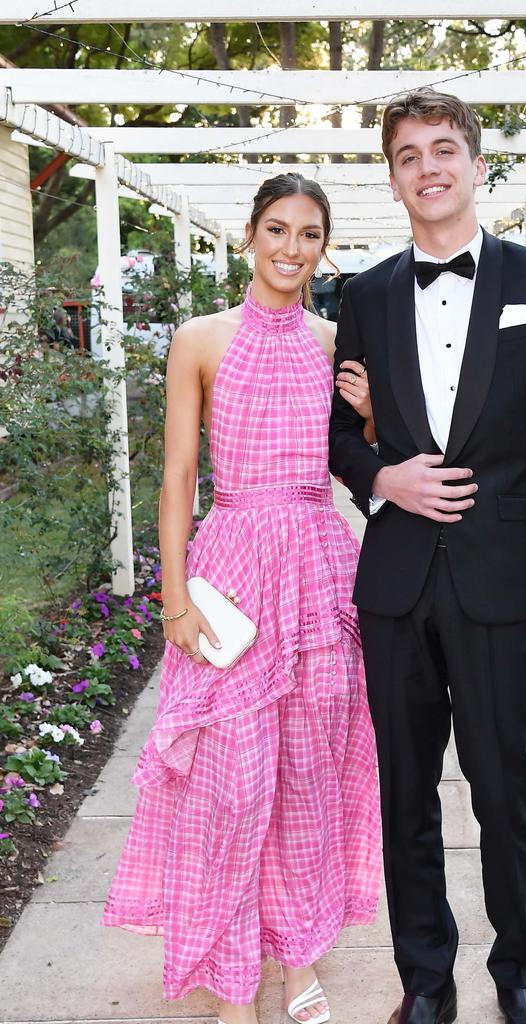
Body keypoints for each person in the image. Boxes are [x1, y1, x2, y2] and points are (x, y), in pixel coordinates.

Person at [329, 88, 526, 1024]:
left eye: (444, 149)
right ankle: (425, 979)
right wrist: (385, 480)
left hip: (504, 579)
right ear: (393, 176)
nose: (429, 168)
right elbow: (339, 436)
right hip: (398, 583)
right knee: (406, 793)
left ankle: (519, 972)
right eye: (409, 154)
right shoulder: (366, 294)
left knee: (507, 792)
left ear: (476, 164)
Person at [103, 173, 381, 1024]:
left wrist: (369, 418)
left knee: (307, 777)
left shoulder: (337, 341)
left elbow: (359, 463)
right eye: (277, 230)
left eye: (307, 234)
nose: (291, 249)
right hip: (231, 571)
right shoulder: (198, 338)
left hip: (319, 568)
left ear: (323, 247)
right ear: (249, 238)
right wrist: (174, 597)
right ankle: (232, 977)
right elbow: (180, 475)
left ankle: (295, 962)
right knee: (232, 785)